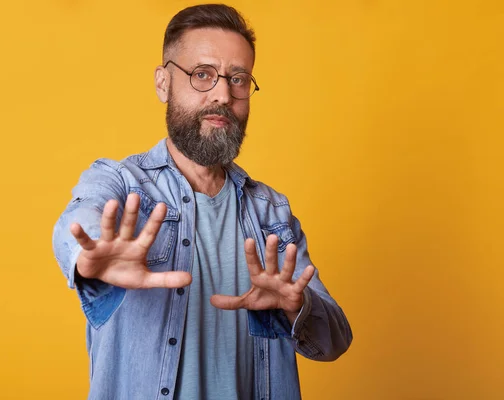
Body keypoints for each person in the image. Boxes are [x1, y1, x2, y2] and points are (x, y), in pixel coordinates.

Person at [53, 4, 352, 399]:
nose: (223, 95)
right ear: (163, 83)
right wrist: (89, 256)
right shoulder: (121, 183)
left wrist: (296, 307)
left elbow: (335, 340)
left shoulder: (272, 213)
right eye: (202, 75)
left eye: (239, 79)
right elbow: (78, 219)